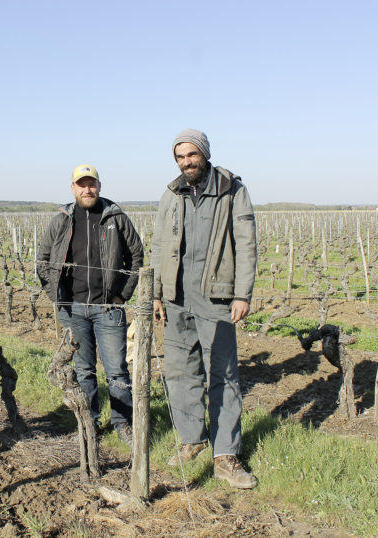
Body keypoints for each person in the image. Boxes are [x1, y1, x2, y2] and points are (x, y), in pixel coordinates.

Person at [151, 129, 258, 489]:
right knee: (181, 372)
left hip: (217, 297)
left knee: (223, 374)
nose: (186, 161)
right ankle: (191, 440)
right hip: (176, 297)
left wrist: (242, 293)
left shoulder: (231, 190)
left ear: (204, 154)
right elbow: (158, 242)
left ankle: (226, 455)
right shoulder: (171, 194)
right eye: (180, 156)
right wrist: (156, 292)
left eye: (191, 155)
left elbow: (246, 244)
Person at [38, 164, 143, 446]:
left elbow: (136, 256)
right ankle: (90, 423)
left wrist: (122, 296)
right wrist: (55, 295)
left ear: (99, 185)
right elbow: (43, 259)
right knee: (83, 370)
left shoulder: (115, 217)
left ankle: (123, 424)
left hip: (109, 308)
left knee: (117, 370)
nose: (87, 189)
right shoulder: (62, 220)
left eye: (91, 184)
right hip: (73, 309)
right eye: (81, 184)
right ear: (73, 189)